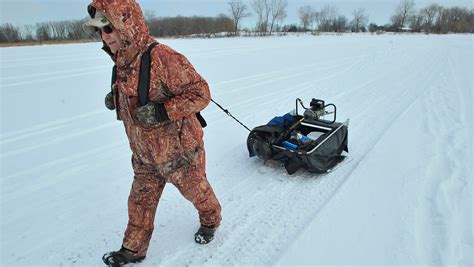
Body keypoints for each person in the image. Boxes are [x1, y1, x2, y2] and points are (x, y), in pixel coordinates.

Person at [82, 0, 222, 266]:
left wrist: (162, 111)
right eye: (100, 30)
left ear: (126, 26)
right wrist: (116, 98)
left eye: (109, 28)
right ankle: (133, 250)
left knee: (199, 194)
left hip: (179, 154)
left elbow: (201, 93)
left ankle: (211, 220)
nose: (105, 36)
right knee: (139, 203)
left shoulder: (163, 57)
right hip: (145, 156)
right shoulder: (121, 62)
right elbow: (139, 94)